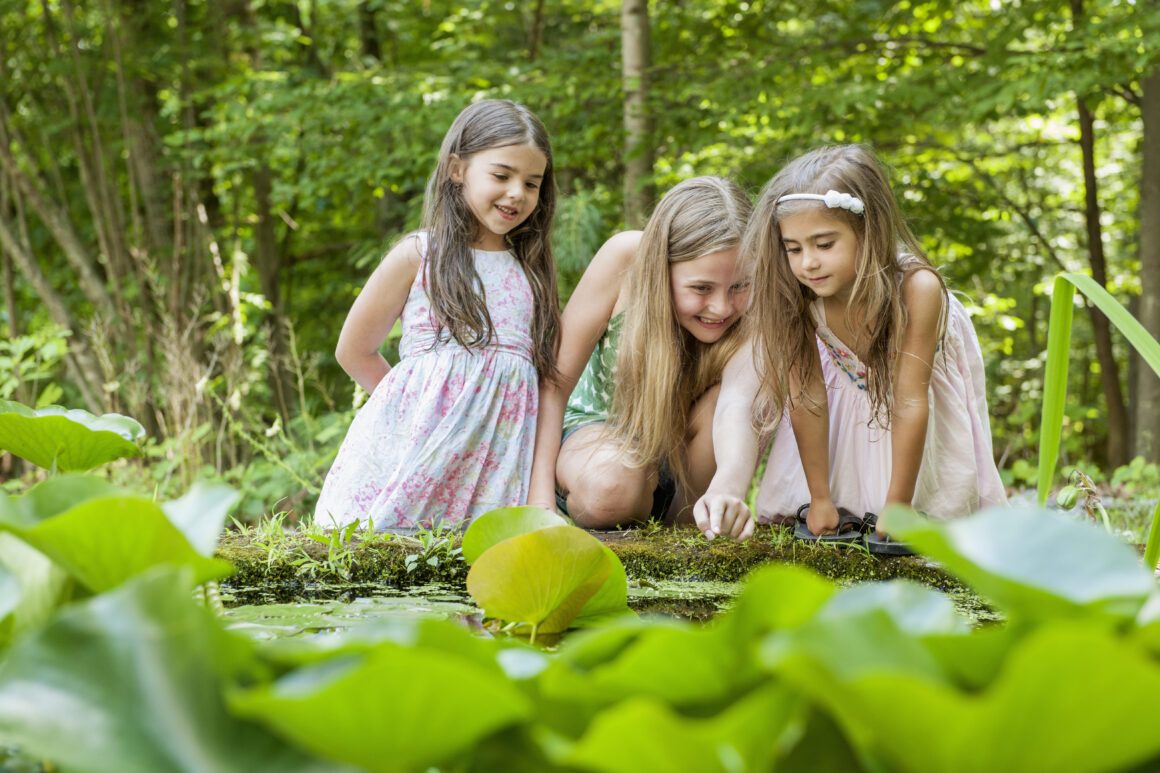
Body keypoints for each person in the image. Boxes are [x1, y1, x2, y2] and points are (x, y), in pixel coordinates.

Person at [694, 145, 1006, 551]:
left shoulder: (918, 290)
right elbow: (807, 397)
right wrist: (820, 498)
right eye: (794, 248)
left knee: (928, 517)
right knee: (835, 509)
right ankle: (840, 504)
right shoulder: (798, 296)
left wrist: (897, 505)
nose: (808, 263)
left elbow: (910, 401)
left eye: (824, 245)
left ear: (868, 231)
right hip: (845, 393)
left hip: (911, 401)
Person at [314, 99, 560, 531]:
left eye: (532, 183)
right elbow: (354, 350)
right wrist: (408, 407)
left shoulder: (532, 275)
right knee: (382, 560)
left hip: (494, 467)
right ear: (456, 169)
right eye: (501, 175)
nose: (517, 193)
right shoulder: (419, 254)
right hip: (418, 452)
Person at [527, 176, 755, 540]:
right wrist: (539, 504)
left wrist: (729, 486)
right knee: (610, 491)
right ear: (660, 268)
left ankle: (690, 529)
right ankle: (624, 501)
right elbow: (553, 385)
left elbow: (739, 406)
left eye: (739, 286)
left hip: (685, 461)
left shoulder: (760, 302)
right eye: (701, 288)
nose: (722, 307)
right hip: (599, 433)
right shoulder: (625, 259)